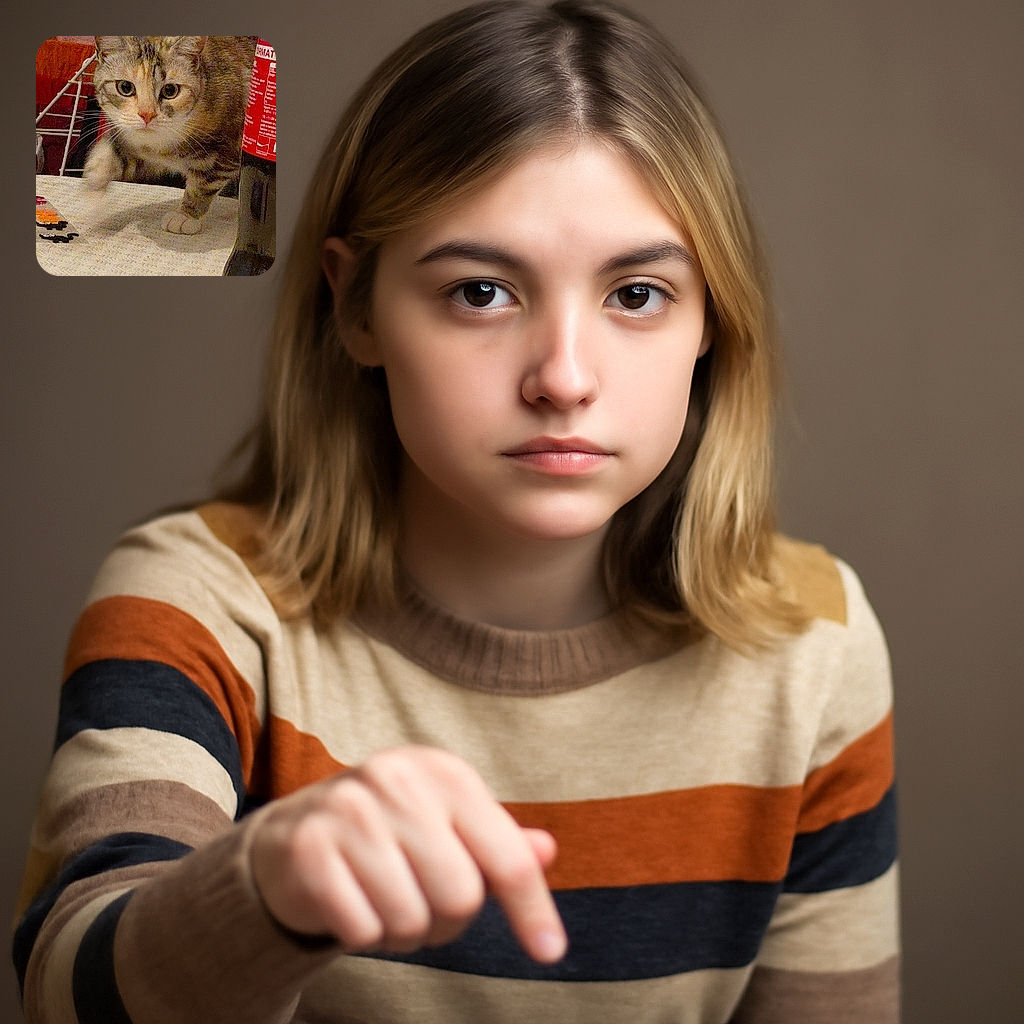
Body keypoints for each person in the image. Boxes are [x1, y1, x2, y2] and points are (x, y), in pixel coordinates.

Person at [13, 2, 899, 1022]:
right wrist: (268, 889)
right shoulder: (195, 603)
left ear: (712, 321)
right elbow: (68, 989)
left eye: (638, 294)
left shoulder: (815, 644)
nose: (564, 378)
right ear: (356, 308)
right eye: (481, 292)